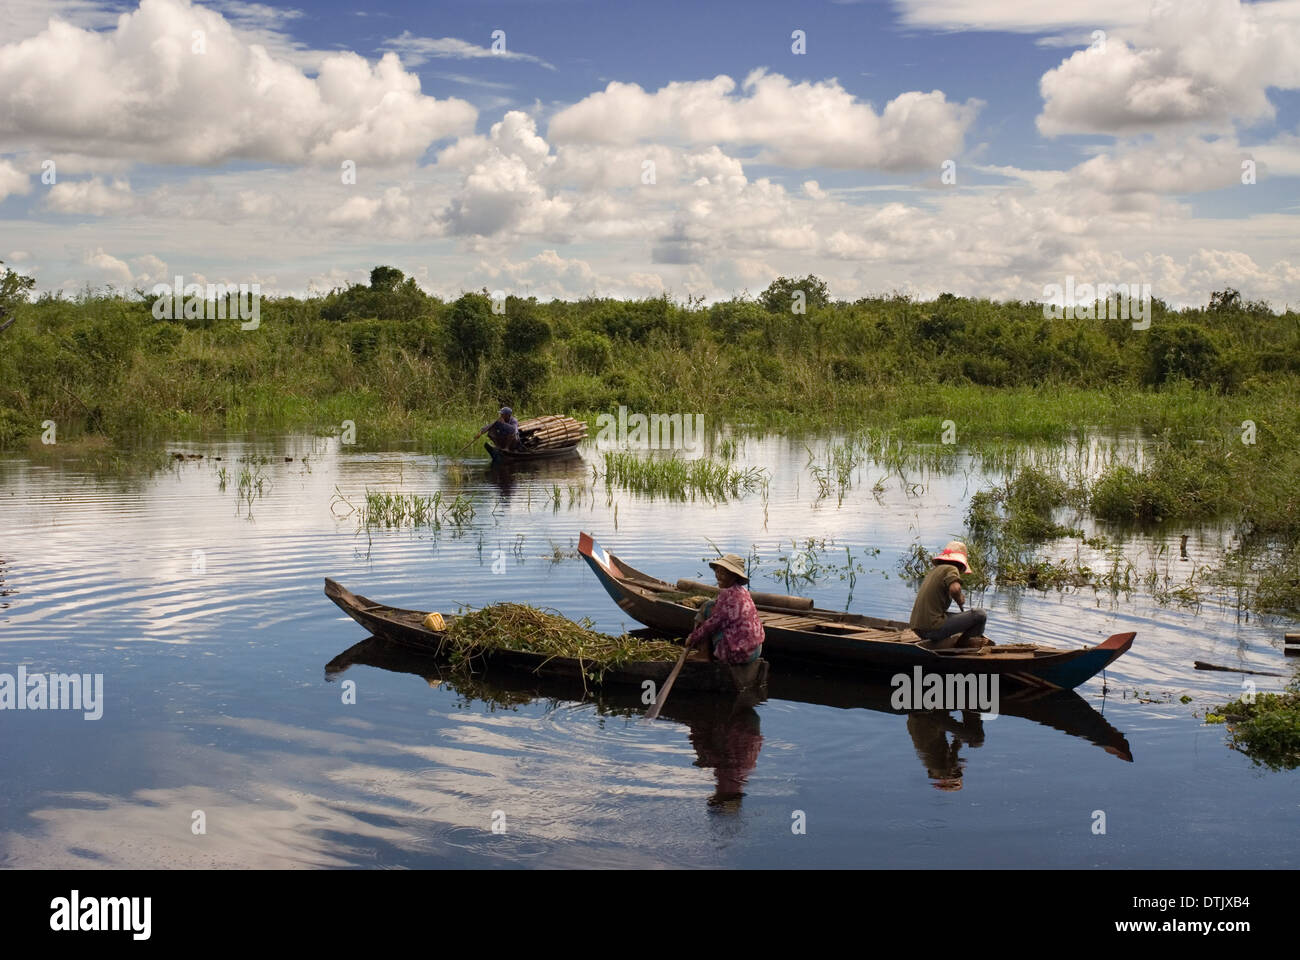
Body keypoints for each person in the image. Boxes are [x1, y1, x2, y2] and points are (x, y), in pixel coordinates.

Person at [686, 554, 765, 664]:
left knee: (707, 610)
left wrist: (693, 638)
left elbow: (711, 625)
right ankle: (705, 652)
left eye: (723, 573)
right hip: (756, 650)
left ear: (734, 576)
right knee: (710, 604)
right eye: (717, 572)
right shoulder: (743, 591)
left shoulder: (727, 595)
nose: (718, 576)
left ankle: (703, 654)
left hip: (740, 654)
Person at [908, 541, 987, 649]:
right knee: (980, 615)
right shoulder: (951, 568)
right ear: (960, 563)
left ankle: (963, 640)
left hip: (917, 628)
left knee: (954, 616)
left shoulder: (935, 571)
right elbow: (955, 589)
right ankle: (964, 643)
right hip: (932, 628)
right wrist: (960, 599)